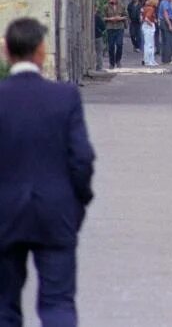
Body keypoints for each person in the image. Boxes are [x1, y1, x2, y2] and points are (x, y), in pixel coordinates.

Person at [0, 17, 96, 327]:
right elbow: (81, 158)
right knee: (58, 303)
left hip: (4, 213)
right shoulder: (64, 97)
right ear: (41, 51)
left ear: (6, 52)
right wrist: (78, 202)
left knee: (4, 307)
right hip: (56, 212)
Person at [102, 0, 127, 69]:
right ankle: (111, 63)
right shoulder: (106, 7)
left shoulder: (122, 6)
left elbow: (126, 16)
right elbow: (103, 17)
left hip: (119, 27)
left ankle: (118, 60)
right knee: (111, 46)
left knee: (119, 44)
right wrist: (110, 18)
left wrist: (120, 18)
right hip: (110, 27)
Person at [141, 0, 159, 66]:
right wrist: (151, 24)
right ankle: (149, 61)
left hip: (145, 26)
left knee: (148, 44)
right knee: (150, 45)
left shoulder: (145, 8)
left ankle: (150, 60)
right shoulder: (151, 9)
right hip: (148, 27)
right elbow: (146, 18)